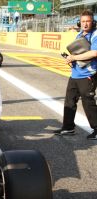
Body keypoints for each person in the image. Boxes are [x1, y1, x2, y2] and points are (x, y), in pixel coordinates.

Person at [54, 10, 97, 140]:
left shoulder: (95, 34)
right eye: (83, 21)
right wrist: (70, 59)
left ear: (93, 22)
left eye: (88, 21)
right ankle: (68, 127)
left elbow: (94, 53)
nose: (85, 24)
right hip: (76, 74)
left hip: (88, 74)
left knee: (88, 102)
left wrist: (74, 57)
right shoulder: (79, 34)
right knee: (69, 100)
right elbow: (76, 54)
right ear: (79, 22)